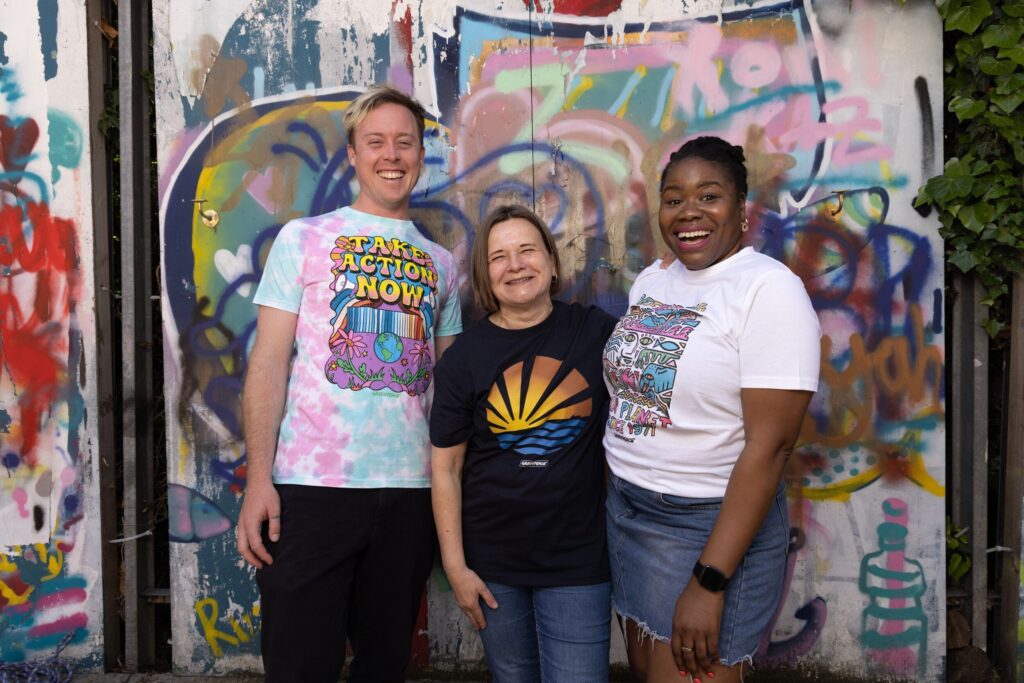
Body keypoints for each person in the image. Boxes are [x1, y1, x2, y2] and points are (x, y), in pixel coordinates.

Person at [236, 84, 462, 682]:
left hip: (411, 494)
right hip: (311, 490)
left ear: (421, 155)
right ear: (354, 155)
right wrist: (259, 479)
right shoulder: (303, 240)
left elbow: (454, 388)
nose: (392, 154)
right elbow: (267, 365)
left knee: (384, 665)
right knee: (299, 664)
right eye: (376, 142)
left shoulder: (442, 263)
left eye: (405, 142)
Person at [602, 136, 821, 683]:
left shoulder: (769, 291)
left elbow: (771, 449)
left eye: (709, 196)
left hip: (711, 527)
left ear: (741, 209)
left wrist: (709, 581)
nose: (689, 212)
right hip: (628, 514)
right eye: (674, 199)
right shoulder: (654, 280)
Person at [430, 204, 618, 681]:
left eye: (527, 250)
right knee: (512, 676)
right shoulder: (463, 360)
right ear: (484, 275)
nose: (515, 265)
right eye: (499, 257)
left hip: (576, 560)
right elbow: (446, 469)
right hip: (493, 566)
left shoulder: (595, 333)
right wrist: (456, 567)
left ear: (552, 263)